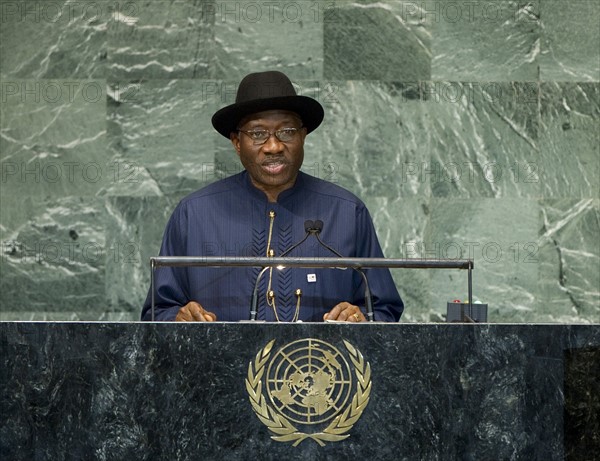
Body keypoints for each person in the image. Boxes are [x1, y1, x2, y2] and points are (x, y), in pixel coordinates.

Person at [141, 71, 403, 322]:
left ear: (303, 136)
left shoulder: (346, 212)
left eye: (287, 131)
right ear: (236, 142)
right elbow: (156, 312)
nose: (274, 146)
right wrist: (179, 318)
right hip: (221, 367)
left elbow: (384, 310)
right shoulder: (194, 214)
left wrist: (360, 318)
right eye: (257, 133)